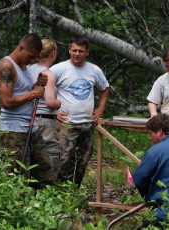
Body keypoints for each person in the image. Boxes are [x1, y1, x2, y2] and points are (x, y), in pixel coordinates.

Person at [0, 33, 57, 188]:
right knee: (16, 180)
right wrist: (33, 93)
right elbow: (6, 102)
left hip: (31, 128)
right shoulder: (6, 66)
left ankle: (43, 209)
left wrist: (37, 85)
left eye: (36, 58)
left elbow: (22, 90)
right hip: (13, 132)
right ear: (21, 48)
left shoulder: (25, 67)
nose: (33, 61)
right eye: (31, 56)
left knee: (45, 175)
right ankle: (17, 211)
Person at [50, 35, 110, 186]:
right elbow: (42, 89)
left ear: (87, 52)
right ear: (69, 50)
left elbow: (105, 88)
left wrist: (100, 108)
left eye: (81, 51)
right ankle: (56, 190)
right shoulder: (58, 69)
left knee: (83, 160)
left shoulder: (94, 70)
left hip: (87, 123)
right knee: (63, 159)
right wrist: (53, 111)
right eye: (74, 50)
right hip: (66, 124)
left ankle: (73, 189)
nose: (77, 54)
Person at [28, 38, 61, 179]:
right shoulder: (48, 73)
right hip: (46, 121)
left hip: (31, 118)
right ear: (52, 53)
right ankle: (47, 186)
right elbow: (50, 102)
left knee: (32, 154)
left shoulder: (28, 69)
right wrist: (59, 103)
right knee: (50, 153)